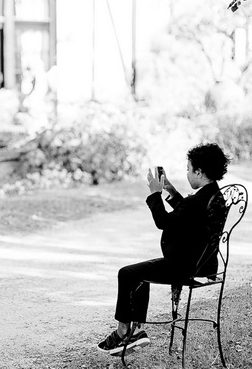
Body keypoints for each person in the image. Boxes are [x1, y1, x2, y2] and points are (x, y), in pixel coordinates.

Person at [97, 143, 230, 356]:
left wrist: (155, 194)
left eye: (188, 169)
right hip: (203, 265)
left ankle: (125, 331)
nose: (187, 173)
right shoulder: (212, 195)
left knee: (127, 273)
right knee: (138, 274)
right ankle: (136, 331)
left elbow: (164, 221)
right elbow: (186, 214)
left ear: (199, 171)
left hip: (185, 266)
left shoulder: (198, 200)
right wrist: (169, 189)